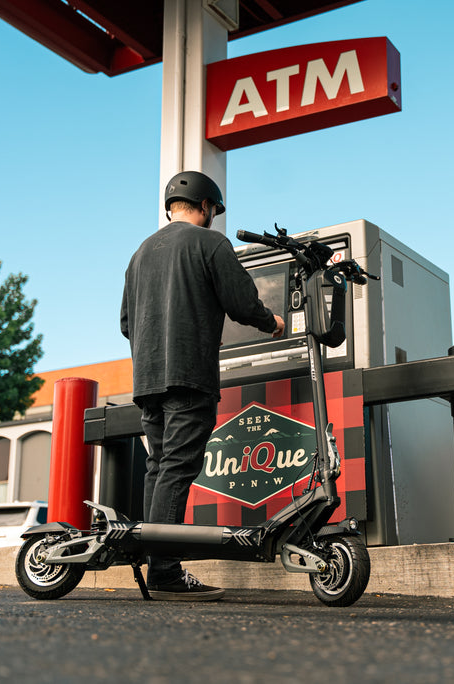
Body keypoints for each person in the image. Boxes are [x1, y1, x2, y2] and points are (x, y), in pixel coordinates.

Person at [120, 170, 285, 601]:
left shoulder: (140, 254)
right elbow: (240, 301)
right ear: (207, 207)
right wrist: (274, 323)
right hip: (189, 374)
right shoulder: (210, 243)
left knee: (159, 466)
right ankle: (165, 571)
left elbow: (125, 323)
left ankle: (156, 560)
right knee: (177, 467)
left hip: (147, 377)